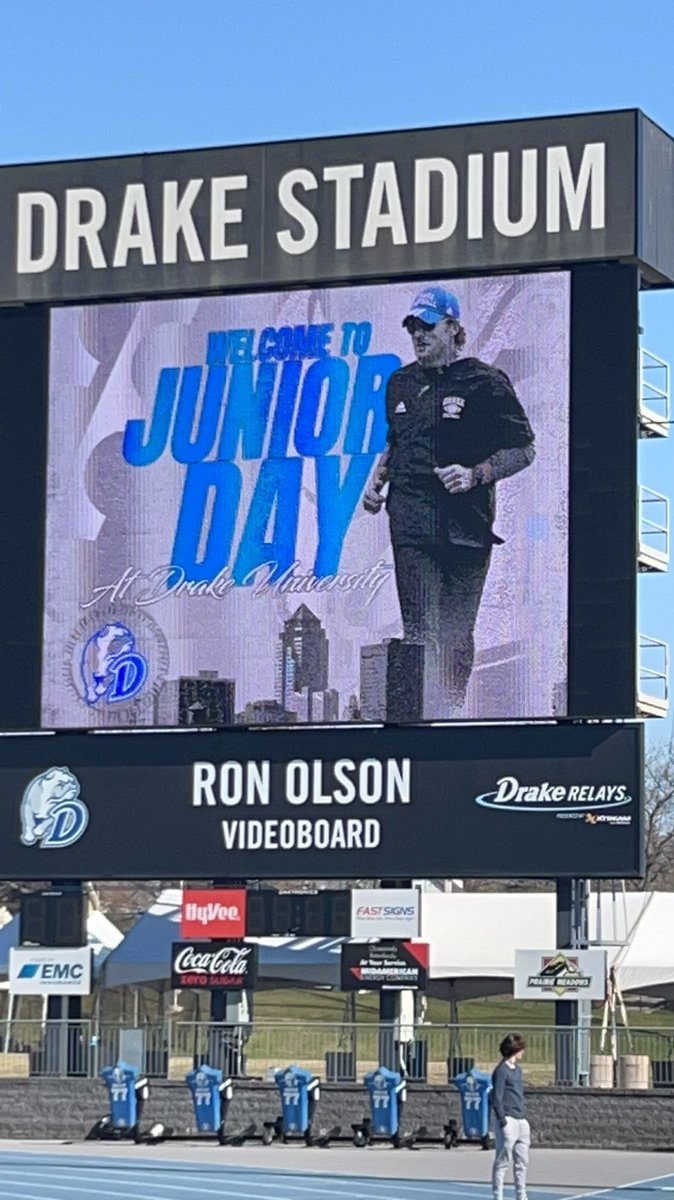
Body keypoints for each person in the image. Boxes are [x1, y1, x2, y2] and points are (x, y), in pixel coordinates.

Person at [363, 285, 535, 718]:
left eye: (427, 326)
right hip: (411, 523)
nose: (418, 335)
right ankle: (415, 720)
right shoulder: (400, 383)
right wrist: (378, 479)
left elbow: (524, 449)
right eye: (412, 328)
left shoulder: (485, 382)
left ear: (453, 328)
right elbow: (397, 440)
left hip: (467, 529)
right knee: (420, 630)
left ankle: (452, 711)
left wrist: (476, 474)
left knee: (457, 636)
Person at [491, 1032, 530, 1200]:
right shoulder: (501, 1071)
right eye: (521, 1049)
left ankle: (521, 1195)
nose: (523, 1052)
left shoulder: (518, 1071)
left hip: (521, 1119)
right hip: (508, 1120)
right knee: (503, 1161)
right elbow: (496, 1097)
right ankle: (497, 1196)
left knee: (522, 1161)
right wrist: (503, 1120)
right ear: (515, 1050)